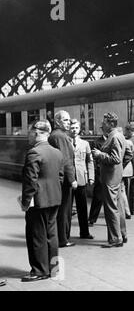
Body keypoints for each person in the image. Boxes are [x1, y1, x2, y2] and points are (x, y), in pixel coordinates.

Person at [20, 120, 64, 282]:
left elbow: (30, 181)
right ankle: (53, 269)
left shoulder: (34, 153)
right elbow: (60, 176)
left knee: (36, 235)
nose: (28, 136)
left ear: (37, 133)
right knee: (52, 235)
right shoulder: (57, 152)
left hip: (38, 201)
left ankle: (39, 270)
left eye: (29, 132)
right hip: (55, 199)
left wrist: (25, 202)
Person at [91, 113, 127, 247]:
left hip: (110, 177)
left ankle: (115, 239)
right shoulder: (119, 135)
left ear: (111, 124)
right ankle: (122, 234)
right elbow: (126, 154)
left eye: (104, 123)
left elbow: (116, 159)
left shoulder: (114, 136)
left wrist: (100, 154)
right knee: (118, 207)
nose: (102, 125)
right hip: (116, 176)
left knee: (111, 209)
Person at [48, 110, 77, 248]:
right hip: (64, 179)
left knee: (61, 209)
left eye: (69, 120)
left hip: (57, 178)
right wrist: (72, 179)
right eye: (65, 120)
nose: (69, 122)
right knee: (64, 210)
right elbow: (66, 160)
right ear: (57, 121)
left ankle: (61, 237)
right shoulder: (61, 136)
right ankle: (63, 239)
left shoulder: (55, 135)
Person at [69, 119, 94, 239]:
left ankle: (84, 232)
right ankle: (65, 234)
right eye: (72, 127)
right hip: (68, 180)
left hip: (81, 179)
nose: (74, 130)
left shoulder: (85, 144)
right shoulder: (65, 142)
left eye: (76, 128)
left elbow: (90, 161)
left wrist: (91, 177)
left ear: (79, 130)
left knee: (82, 208)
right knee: (67, 209)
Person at [88, 127, 107, 226]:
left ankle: (110, 220)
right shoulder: (97, 142)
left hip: (110, 172)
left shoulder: (114, 139)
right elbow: (94, 158)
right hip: (100, 171)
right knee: (98, 196)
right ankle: (92, 218)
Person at [117, 126, 134, 219]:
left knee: (121, 191)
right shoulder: (129, 142)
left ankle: (126, 211)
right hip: (128, 171)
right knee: (126, 191)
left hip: (120, 170)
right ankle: (128, 210)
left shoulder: (116, 141)